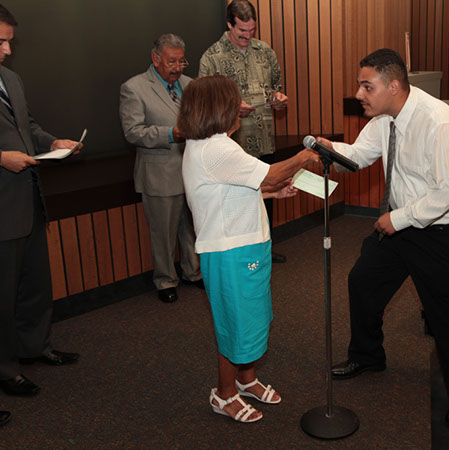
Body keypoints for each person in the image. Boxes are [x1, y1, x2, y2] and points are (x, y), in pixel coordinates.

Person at [318, 49, 449, 427]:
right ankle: (367, 355)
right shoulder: (385, 119)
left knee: (447, 314)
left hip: (441, 230)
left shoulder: (440, 123)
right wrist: (331, 150)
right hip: (401, 224)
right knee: (362, 282)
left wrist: (399, 218)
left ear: (393, 85)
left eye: (367, 86)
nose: (359, 94)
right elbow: (360, 156)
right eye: (359, 86)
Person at [179, 75, 317, 423]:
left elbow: (230, 191)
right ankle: (223, 395)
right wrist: (304, 156)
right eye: (234, 100)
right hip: (230, 253)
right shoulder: (216, 148)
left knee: (251, 318)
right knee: (234, 324)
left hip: (245, 246)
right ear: (218, 107)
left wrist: (270, 193)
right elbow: (269, 174)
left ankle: (246, 379)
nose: (240, 106)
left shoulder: (212, 144)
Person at [0, 0, 80, 397]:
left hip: (29, 201)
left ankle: (35, 347)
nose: (7, 50)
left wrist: (51, 142)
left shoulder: (10, 79)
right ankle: (4, 370)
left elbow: (28, 126)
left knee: (36, 285)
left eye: (9, 42)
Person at [198, 0, 289, 264]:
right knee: (238, 202)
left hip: (264, 140)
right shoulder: (211, 57)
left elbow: (274, 87)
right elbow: (203, 105)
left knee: (267, 194)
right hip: (231, 148)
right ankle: (242, 255)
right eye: (242, 32)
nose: (248, 37)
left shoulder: (265, 52)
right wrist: (232, 109)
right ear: (229, 24)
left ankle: (265, 249)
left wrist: (278, 99)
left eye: (252, 31)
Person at [120, 34, 202, 303]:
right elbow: (132, 132)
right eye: (172, 61)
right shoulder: (134, 88)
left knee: (190, 228)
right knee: (164, 233)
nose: (178, 67)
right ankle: (165, 280)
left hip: (191, 172)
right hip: (159, 174)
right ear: (156, 59)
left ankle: (193, 272)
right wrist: (170, 133)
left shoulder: (190, 85)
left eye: (182, 61)